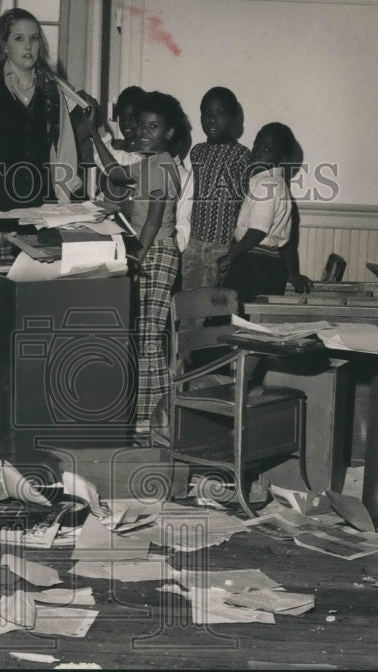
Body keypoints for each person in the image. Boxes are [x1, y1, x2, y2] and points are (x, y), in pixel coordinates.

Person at [84, 92, 192, 436]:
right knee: (146, 337)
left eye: (154, 127)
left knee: (148, 339)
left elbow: (153, 220)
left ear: (170, 133)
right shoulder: (149, 162)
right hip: (152, 252)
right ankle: (151, 418)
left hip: (157, 253)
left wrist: (137, 258)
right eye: (142, 125)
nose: (144, 132)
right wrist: (91, 133)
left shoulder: (162, 165)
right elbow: (115, 173)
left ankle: (158, 419)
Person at [0, 8, 80, 261]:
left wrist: (63, 208)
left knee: (36, 296)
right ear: (4, 44)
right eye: (19, 38)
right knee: (1, 293)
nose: (29, 46)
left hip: (43, 213)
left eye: (34, 38)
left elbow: (64, 151)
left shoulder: (52, 90)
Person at [218, 122, 313, 302]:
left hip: (254, 265)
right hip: (272, 267)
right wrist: (292, 274)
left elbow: (257, 231)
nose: (258, 151)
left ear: (283, 158)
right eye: (256, 145)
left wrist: (230, 256)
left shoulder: (266, 185)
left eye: (267, 149)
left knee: (236, 319)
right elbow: (286, 242)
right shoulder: (279, 185)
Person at [182, 87, 251, 291]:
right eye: (207, 114)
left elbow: (246, 203)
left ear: (233, 119)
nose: (212, 120)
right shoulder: (197, 152)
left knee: (214, 305)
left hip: (223, 245)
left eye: (220, 114)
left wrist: (233, 249)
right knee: (189, 302)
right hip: (193, 242)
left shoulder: (242, 156)